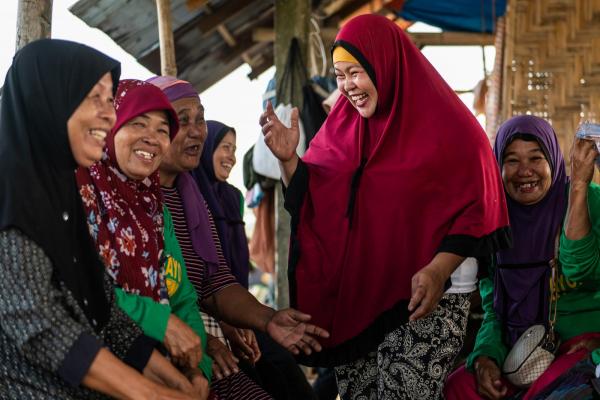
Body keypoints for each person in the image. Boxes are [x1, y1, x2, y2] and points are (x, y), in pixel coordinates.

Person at [258, 14, 511, 399]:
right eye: (339, 75)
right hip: (359, 297)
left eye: (355, 72)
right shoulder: (344, 127)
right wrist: (289, 160)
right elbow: (316, 200)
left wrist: (439, 269)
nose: (346, 87)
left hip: (426, 299)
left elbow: (478, 209)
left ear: (385, 63)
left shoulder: (451, 129)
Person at [0, 39, 193, 399]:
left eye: (111, 100)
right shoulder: (10, 194)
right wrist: (153, 394)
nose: (109, 114)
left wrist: (174, 381)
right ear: (50, 99)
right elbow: (40, 324)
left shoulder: (58, 191)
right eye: (95, 98)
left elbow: (101, 307)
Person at [148, 75, 329, 399]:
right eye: (181, 120)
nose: (196, 130)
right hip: (156, 347)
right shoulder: (133, 200)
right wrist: (207, 337)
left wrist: (269, 319)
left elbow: (215, 283)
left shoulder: (193, 199)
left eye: (200, 119)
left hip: (200, 334)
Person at [444, 115, 600, 400]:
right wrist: (485, 357)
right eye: (512, 160)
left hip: (582, 341)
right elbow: (494, 308)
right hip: (518, 347)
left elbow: (584, 271)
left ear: (552, 158)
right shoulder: (494, 224)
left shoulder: (590, 201)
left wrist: (578, 188)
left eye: (536, 158)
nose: (524, 171)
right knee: (459, 388)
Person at [76, 79, 211, 399]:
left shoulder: (151, 206)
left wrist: (198, 368)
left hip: (157, 364)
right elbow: (78, 291)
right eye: (138, 123)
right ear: (111, 126)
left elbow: (183, 297)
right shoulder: (80, 195)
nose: (152, 138)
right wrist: (159, 322)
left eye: (163, 129)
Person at [192, 120, 318, 399]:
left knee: (285, 368)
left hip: (239, 311)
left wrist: (253, 318)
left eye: (234, 149)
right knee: (259, 370)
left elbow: (230, 275)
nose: (232, 157)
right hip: (211, 316)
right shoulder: (190, 198)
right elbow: (198, 279)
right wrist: (227, 323)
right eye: (224, 147)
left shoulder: (232, 197)